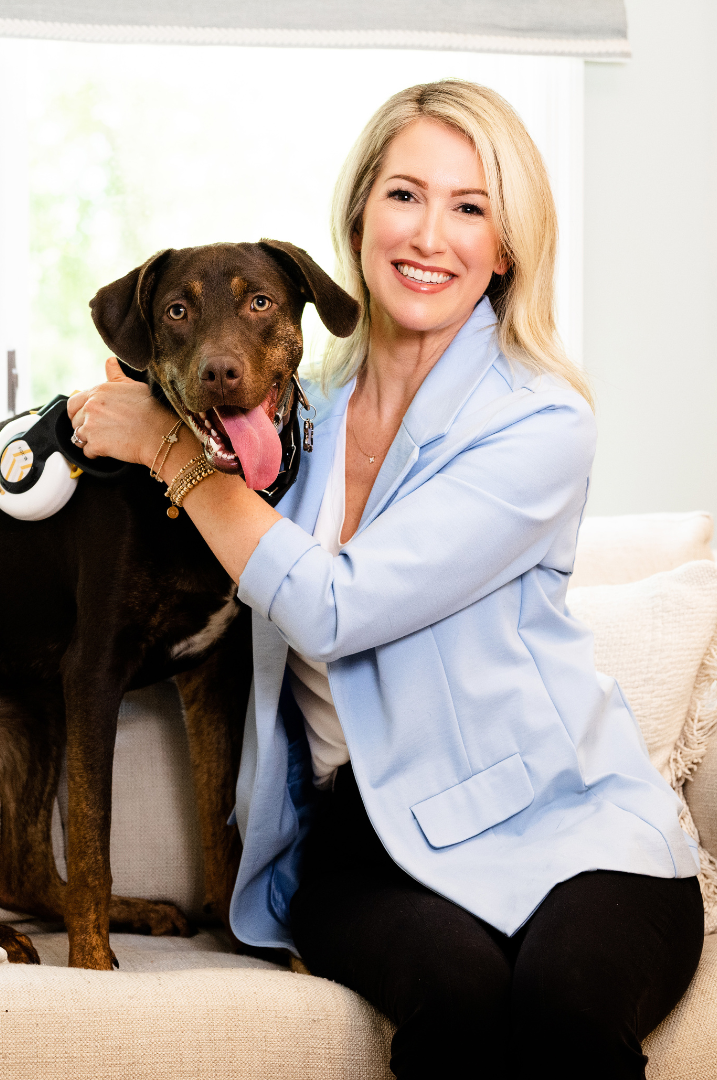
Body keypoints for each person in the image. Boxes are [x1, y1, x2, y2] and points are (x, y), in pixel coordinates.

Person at [66, 79, 703, 1079]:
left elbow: (335, 607)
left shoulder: (541, 423)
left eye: (470, 207)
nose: (429, 236)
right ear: (361, 214)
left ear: (506, 248)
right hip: (361, 842)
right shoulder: (292, 413)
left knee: (567, 1013)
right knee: (458, 1012)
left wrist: (168, 454)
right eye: (405, 195)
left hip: (571, 823)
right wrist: (139, 417)